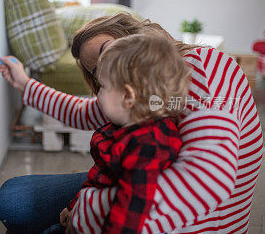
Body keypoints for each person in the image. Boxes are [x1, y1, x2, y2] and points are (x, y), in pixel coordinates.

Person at [0, 13, 263, 233]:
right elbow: (84, 111)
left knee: (18, 205)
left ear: (132, 35)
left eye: (106, 50)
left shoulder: (201, 65)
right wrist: (23, 83)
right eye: (97, 73)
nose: (104, 68)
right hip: (146, 190)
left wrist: (89, 209)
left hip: (193, 220)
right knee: (13, 197)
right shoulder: (146, 94)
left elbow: (207, 179)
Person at [59, 34, 189, 233]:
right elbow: (99, 176)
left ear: (128, 96)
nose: (97, 94)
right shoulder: (125, 128)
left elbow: (132, 210)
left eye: (102, 86)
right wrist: (74, 205)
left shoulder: (148, 145)